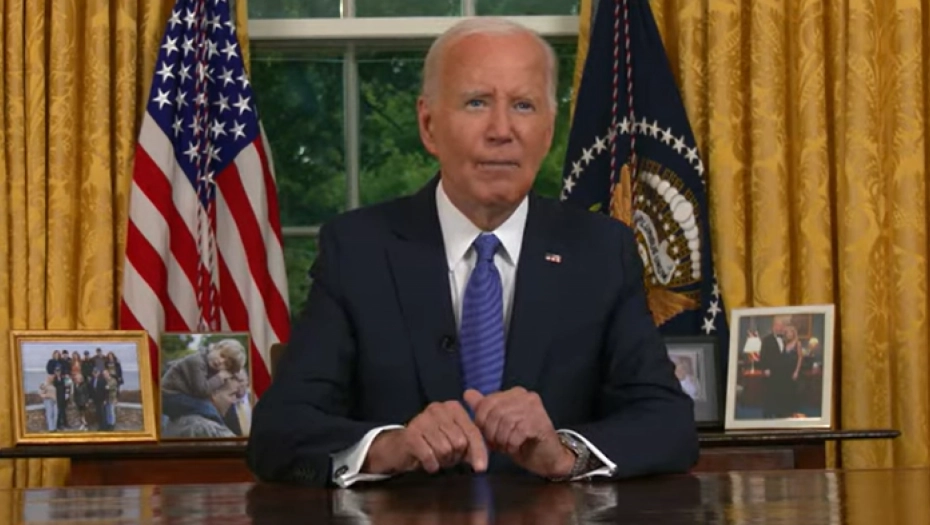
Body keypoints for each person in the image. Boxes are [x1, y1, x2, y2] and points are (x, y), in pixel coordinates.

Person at [247, 17, 697, 487]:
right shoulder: (358, 250)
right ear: (428, 125)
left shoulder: (601, 251)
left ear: (548, 130)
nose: (501, 130)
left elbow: (669, 423)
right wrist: (390, 447)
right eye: (477, 102)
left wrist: (565, 454)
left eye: (523, 105)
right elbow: (279, 432)